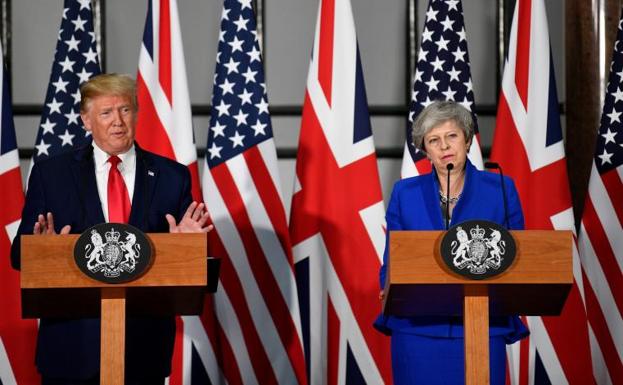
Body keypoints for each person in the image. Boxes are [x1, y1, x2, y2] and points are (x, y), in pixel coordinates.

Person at [10, 73, 212, 385]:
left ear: (136, 113)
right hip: (71, 350)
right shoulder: (52, 175)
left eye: (125, 110)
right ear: (86, 120)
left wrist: (186, 249)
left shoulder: (172, 177)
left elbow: (192, 265)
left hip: (143, 349)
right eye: (106, 113)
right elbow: (18, 256)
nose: (117, 121)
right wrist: (44, 251)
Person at [375, 100, 528, 385]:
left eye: (451, 136)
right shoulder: (405, 193)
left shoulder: (501, 190)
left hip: (483, 326)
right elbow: (393, 258)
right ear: (425, 151)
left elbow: (520, 255)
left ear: (467, 140)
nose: (444, 146)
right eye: (434, 140)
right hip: (417, 329)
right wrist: (388, 287)